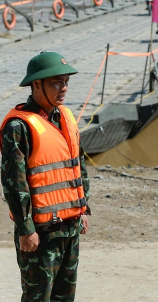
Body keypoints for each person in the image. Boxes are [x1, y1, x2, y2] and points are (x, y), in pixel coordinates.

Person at [0, 51, 90, 301]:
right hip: (41, 233)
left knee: (65, 297)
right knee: (37, 297)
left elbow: (78, 166)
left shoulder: (66, 117)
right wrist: (25, 228)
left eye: (66, 81)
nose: (64, 88)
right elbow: (13, 183)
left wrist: (82, 208)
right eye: (56, 82)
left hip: (69, 228)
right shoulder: (18, 127)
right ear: (36, 84)